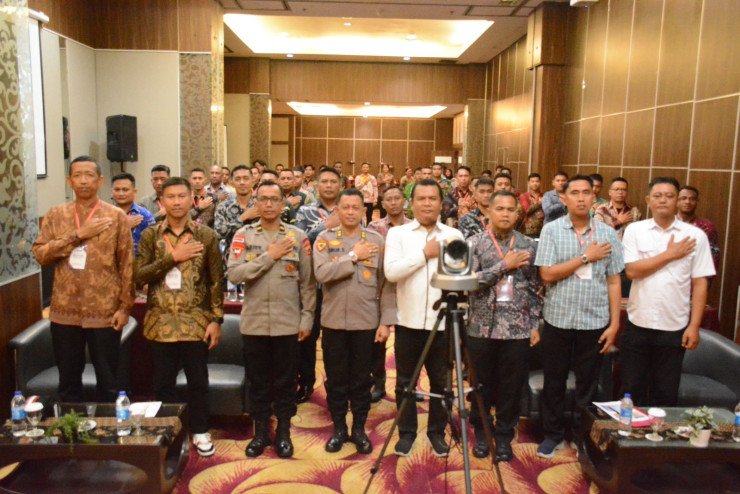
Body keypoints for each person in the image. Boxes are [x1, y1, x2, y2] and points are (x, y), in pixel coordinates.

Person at [534, 174, 623, 458]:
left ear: (594, 198)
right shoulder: (551, 231)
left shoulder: (608, 233)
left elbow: (614, 280)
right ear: (564, 198)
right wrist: (586, 257)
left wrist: (615, 324)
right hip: (558, 318)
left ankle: (583, 437)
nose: (581, 198)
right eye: (575, 192)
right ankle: (552, 434)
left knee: (588, 385)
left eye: (587, 192)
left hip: (594, 320)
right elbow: (547, 275)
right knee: (554, 381)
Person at [33, 156, 134, 403]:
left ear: (100, 181)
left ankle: (108, 426)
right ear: (69, 181)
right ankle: (72, 427)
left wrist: (125, 307)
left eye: (89, 175)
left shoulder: (116, 216)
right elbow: (41, 255)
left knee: (109, 381)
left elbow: (127, 264)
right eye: (77, 175)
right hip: (65, 311)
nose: (84, 181)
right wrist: (78, 235)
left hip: (105, 310)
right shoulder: (56, 214)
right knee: (68, 382)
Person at [134, 176, 223, 457]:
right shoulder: (150, 235)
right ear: (161, 201)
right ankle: (168, 431)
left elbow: (216, 281)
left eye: (181, 196)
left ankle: (200, 430)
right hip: (160, 322)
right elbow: (139, 276)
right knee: (163, 384)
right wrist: (173, 257)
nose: (176, 202)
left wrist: (216, 319)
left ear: (190, 200)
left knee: (198, 382)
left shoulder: (206, 236)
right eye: (170, 197)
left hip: (196, 322)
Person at [227, 181, 316, 458]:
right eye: (263, 199)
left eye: (274, 199)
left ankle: (284, 433)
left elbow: (308, 284)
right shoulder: (243, 235)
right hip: (254, 323)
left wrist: (307, 319)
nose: (268, 204)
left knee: (286, 384)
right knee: (258, 382)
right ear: (256, 203)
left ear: (282, 204)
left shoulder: (298, 237)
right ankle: (261, 433)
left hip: (288, 324)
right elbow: (235, 274)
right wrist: (269, 256)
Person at [385, 178, 465, 457]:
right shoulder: (398, 234)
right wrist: (424, 254)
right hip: (407, 323)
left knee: (442, 384)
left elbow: (459, 280)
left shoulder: (454, 235)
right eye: (421, 199)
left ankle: (436, 433)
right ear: (412, 203)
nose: (427, 204)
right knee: (404, 382)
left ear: (442, 203)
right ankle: (406, 433)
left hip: (443, 326)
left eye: (433, 198)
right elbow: (392, 273)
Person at [620, 177, 715, 406]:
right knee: (631, 389)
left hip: (674, 325)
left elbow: (700, 283)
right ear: (648, 200)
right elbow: (631, 271)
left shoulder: (695, 236)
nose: (663, 200)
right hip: (638, 322)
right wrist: (669, 255)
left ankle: (659, 430)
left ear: (678, 200)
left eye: (670, 196)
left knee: (666, 392)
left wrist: (694, 326)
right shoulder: (635, 230)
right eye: (657, 196)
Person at [314, 189, 394, 454]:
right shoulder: (324, 240)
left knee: (362, 381)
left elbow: (386, 285)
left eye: (355, 207)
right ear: (337, 210)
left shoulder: (376, 241)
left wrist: (386, 322)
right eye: (345, 207)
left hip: (367, 323)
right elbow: (321, 273)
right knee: (336, 380)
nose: (350, 212)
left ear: (363, 211)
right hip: (334, 322)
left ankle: (359, 429)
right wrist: (352, 257)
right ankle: (339, 429)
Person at [468, 190, 542, 462]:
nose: (505, 213)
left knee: (511, 387)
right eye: (499, 208)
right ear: (488, 211)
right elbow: (470, 282)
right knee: (481, 385)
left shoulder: (528, 245)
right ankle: (481, 432)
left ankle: (503, 437)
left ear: (517, 213)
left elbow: (536, 288)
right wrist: (503, 265)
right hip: (481, 327)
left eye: (511, 209)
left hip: (517, 328)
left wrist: (534, 324)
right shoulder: (474, 243)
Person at [294, 167, 343, 403]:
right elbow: (299, 242)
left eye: (333, 181)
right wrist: (325, 226)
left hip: (339, 283)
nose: (329, 185)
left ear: (340, 185)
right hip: (311, 283)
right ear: (317, 185)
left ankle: (336, 386)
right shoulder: (305, 211)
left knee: (336, 340)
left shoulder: (348, 208)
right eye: (324, 181)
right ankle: (306, 382)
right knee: (307, 336)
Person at [367, 186, 410, 402]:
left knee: (407, 343)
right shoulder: (373, 228)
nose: (393, 202)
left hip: (407, 288)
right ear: (382, 204)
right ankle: (378, 383)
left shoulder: (414, 227)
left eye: (397, 198)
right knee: (378, 341)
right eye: (388, 199)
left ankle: (407, 386)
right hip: (381, 287)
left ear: (405, 201)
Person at [677, 185, 720, 280]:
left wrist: (704, 281)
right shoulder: (668, 224)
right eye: (683, 198)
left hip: (695, 279)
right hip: (669, 279)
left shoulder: (706, 227)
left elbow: (713, 257)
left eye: (692, 199)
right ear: (677, 201)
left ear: (697, 202)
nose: (687, 202)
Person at [111, 172, 155, 255]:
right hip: (112, 261)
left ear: (134, 191)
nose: (121, 193)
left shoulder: (144, 215)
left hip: (138, 261)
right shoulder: (105, 214)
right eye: (117, 190)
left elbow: (153, 244)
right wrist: (124, 226)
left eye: (125, 190)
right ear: (111, 191)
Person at [214, 165, 258, 247]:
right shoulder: (223, 206)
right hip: (231, 253)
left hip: (259, 252)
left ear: (252, 181)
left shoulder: (259, 205)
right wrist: (242, 218)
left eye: (246, 178)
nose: (242, 182)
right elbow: (218, 233)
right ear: (232, 182)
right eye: (237, 179)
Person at [519, 172, 545, 238]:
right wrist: (539, 203)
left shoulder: (545, 196)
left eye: (537, 181)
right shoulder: (524, 196)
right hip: (528, 230)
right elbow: (526, 211)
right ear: (529, 183)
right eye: (532, 181)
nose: (535, 183)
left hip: (543, 229)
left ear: (540, 182)